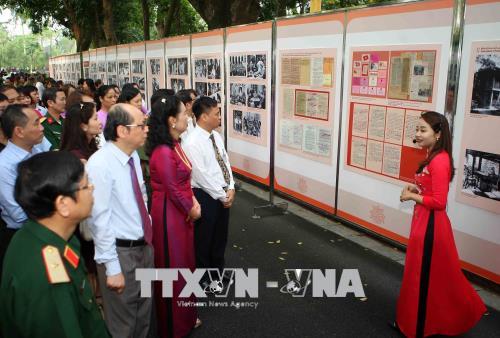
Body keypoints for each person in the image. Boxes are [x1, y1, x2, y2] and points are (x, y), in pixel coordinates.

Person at [394, 111, 486, 337]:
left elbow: (439, 202)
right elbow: (429, 190)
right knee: (422, 276)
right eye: (417, 129)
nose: (417, 134)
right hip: (423, 223)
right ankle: (412, 324)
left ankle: (420, 327)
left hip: (431, 227)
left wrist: (411, 197)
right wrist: (415, 189)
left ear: (438, 134)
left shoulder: (440, 160)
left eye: (423, 130)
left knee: (424, 278)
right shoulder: (433, 155)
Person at [0, 151, 110, 337]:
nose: (92, 189)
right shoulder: (49, 276)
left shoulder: (36, 236)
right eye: (85, 186)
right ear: (63, 204)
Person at [86, 103, 155, 338]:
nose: (147, 129)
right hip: (120, 254)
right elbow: (99, 220)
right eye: (141, 125)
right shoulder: (100, 164)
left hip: (143, 247)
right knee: (123, 322)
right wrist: (112, 268)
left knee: (144, 313)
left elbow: (141, 197)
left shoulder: (133, 156)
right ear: (122, 131)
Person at [146, 96, 202, 338]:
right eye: (183, 113)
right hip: (169, 217)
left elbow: (184, 182)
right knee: (173, 269)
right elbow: (172, 188)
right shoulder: (162, 151)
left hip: (181, 213)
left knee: (186, 266)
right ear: (171, 120)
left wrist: (193, 202)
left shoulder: (175, 144)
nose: (187, 116)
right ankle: (174, 327)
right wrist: (191, 208)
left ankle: (186, 318)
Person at [182, 96, 236, 287]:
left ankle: (218, 273)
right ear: (203, 117)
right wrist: (223, 195)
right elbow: (201, 175)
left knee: (220, 237)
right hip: (205, 196)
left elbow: (225, 162)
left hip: (222, 193)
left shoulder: (216, 136)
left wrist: (231, 187)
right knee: (204, 240)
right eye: (216, 113)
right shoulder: (191, 142)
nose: (220, 117)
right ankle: (204, 278)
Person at [0, 105, 47, 276]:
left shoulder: (37, 151)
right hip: (23, 237)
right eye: (36, 124)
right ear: (19, 131)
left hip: (45, 232)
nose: (42, 127)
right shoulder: (4, 165)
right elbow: (18, 213)